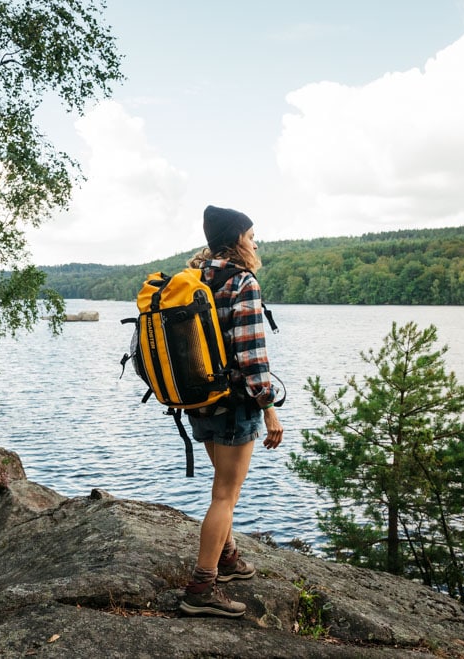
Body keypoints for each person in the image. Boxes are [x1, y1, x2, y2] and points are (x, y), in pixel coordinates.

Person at [179, 205, 284, 618]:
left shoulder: (194, 278)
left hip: (197, 400)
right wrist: (269, 409)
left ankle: (228, 558)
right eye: (251, 234)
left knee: (221, 485)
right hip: (234, 406)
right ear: (237, 239)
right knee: (226, 495)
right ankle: (201, 588)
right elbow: (252, 356)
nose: (256, 242)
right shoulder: (242, 282)